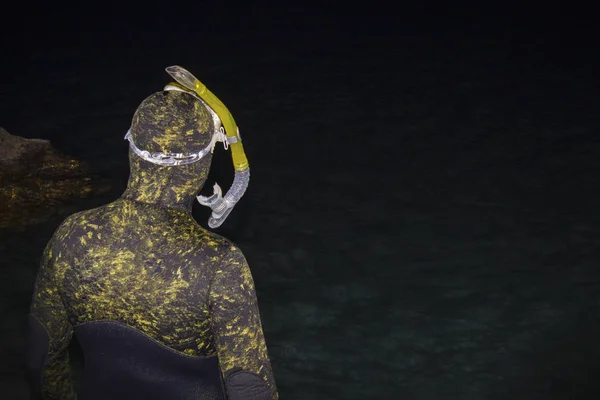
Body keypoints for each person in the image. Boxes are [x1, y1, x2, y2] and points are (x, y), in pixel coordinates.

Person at [26, 66, 278, 400]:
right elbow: (250, 388)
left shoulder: (73, 237)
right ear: (203, 164)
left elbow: (40, 358)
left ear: (131, 147)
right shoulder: (220, 265)